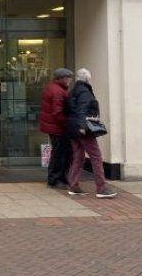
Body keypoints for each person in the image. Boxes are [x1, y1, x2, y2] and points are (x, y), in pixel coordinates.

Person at [65, 68, 117, 198]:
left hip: (72, 128)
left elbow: (69, 109)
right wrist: (82, 126)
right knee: (96, 156)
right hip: (83, 129)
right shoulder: (84, 92)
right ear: (87, 79)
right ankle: (101, 188)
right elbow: (82, 109)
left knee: (78, 156)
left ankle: (74, 185)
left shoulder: (74, 91)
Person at [39, 68, 74, 188]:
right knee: (60, 154)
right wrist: (68, 123)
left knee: (60, 153)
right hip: (58, 128)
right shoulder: (58, 92)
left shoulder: (52, 87)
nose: (70, 80)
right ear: (62, 78)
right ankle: (55, 179)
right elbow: (58, 113)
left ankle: (60, 178)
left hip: (54, 127)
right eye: (68, 78)